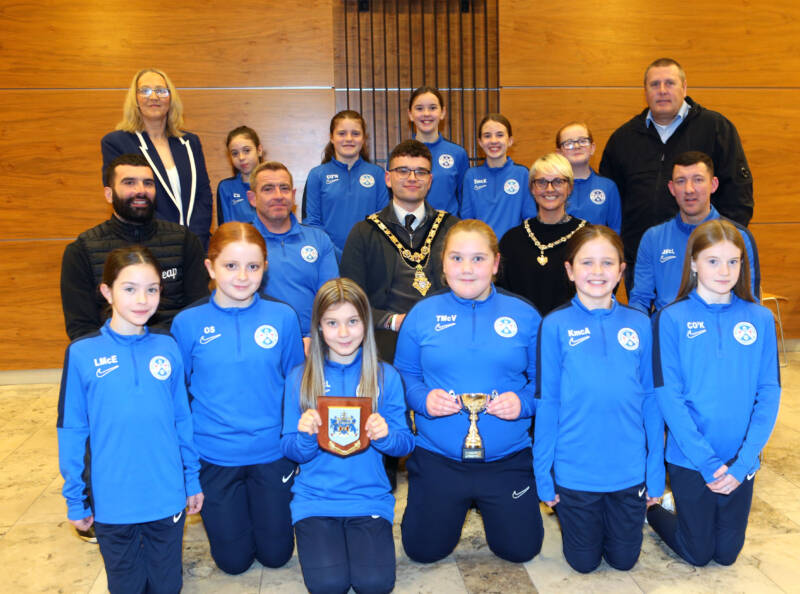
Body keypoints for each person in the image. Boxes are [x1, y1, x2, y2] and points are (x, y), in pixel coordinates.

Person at [394, 219, 544, 564]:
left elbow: (545, 384)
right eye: (457, 258)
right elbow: (404, 375)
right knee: (422, 551)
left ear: (495, 264)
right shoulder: (422, 315)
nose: (466, 268)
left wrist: (522, 403)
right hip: (438, 458)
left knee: (521, 550)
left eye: (478, 259)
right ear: (442, 264)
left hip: (507, 460)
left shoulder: (525, 315)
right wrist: (422, 400)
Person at [58, 246, 203, 593]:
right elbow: (72, 430)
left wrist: (192, 478)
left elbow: (182, 419)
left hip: (166, 493)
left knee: (166, 586)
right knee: (127, 586)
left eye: (152, 288)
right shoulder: (81, 353)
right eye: (129, 288)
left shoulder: (168, 347)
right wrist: (75, 498)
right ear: (107, 291)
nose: (143, 299)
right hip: (113, 500)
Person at [170, 222, 304, 575]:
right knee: (233, 563)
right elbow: (177, 399)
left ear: (265, 268)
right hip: (214, 456)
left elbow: (296, 386)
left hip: (271, 454)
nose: (243, 276)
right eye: (231, 266)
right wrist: (186, 469)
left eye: (253, 266)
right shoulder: (187, 323)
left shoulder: (283, 317)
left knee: (276, 556)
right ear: (210, 267)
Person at [647, 219, 781, 566]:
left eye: (733, 261)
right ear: (693, 262)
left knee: (726, 555)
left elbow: (768, 393)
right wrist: (707, 463)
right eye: (713, 261)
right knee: (698, 553)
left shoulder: (760, 318)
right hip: (691, 458)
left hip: (740, 459)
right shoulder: (670, 318)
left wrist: (744, 462)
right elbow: (668, 396)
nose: (724, 271)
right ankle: (655, 511)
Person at [535, 225, 664, 573]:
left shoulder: (639, 324)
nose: (597, 272)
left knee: (624, 562)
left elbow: (651, 400)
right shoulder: (555, 325)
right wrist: (543, 474)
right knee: (583, 563)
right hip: (576, 471)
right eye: (587, 262)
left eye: (607, 263)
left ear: (621, 271)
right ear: (569, 269)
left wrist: (655, 472)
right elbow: (547, 403)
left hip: (629, 470)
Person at [281, 278, 414, 593]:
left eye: (352, 321)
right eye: (332, 323)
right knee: (328, 586)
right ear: (319, 327)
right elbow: (289, 448)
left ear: (366, 324)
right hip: (315, 500)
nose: (343, 333)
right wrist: (305, 436)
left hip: (368, 497)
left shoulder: (386, 376)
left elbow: (406, 442)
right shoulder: (300, 378)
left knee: (374, 585)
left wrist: (385, 436)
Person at [599, 57, 753, 285]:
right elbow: (610, 204)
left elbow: (738, 196)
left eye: (670, 83)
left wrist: (721, 247)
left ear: (684, 87)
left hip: (707, 258)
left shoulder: (716, 129)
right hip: (643, 260)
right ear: (645, 90)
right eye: (654, 84)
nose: (662, 91)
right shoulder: (623, 139)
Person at [61, 153, 209, 341]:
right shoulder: (81, 251)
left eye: (148, 183)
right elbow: (81, 329)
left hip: (174, 353)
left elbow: (196, 313)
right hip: (114, 359)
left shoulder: (185, 241)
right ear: (109, 194)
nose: (141, 190)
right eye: (129, 183)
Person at [340, 139, 458, 363]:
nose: (412, 178)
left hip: (445, 335)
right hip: (385, 337)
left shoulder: (452, 229)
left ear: (430, 180)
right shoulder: (364, 232)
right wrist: (391, 321)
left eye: (421, 172)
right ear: (388, 178)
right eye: (403, 171)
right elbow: (350, 299)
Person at [629, 151, 760, 315]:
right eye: (680, 181)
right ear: (671, 188)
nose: (689, 189)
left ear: (713, 184)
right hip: (667, 334)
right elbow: (640, 300)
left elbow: (750, 302)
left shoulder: (739, 237)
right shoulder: (653, 238)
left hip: (719, 332)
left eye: (698, 180)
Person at [101, 68, 214, 247]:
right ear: (135, 99)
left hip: (195, 246)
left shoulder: (190, 142)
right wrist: (169, 239)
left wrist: (194, 241)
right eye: (145, 91)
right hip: (147, 245)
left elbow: (203, 195)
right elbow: (126, 199)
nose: (154, 97)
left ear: (171, 98)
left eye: (161, 91)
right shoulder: (116, 142)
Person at [248, 161, 339, 344]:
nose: (278, 196)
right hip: (258, 342)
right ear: (252, 198)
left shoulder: (319, 240)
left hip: (313, 343)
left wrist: (316, 339)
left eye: (284, 188)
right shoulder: (242, 242)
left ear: (294, 194)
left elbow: (332, 300)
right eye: (268, 189)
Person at [497, 153, 588, 315]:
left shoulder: (587, 238)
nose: (549, 189)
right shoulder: (511, 240)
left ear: (570, 187)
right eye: (541, 182)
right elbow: (502, 295)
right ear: (532, 188)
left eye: (558, 182)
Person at [302, 110, 389, 260]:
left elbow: (384, 220)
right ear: (331, 137)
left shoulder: (378, 174)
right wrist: (335, 254)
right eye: (341, 133)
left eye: (355, 133)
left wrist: (362, 254)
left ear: (364, 138)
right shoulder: (317, 175)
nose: (349, 139)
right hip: (328, 258)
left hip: (369, 258)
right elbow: (312, 223)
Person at [460, 113, 537, 241]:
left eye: (500, 135)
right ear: (480, 142)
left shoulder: (522, 174)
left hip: (513, 249)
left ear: (510, 141)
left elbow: (530, 218)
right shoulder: (471, 176)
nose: (494, 141)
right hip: (481, 248)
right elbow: (467, 221)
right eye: (487, 136)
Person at [408, 86, 469, 215]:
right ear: (410, 114)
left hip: (448, 230)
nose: (426, 113)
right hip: (410, 230)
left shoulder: (458, 154)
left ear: (442, 112)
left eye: (432, 108)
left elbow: (464, 198)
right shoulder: (399, 155)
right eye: (419, 108)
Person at [556, 121, 621, 233]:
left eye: (582, 141)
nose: (576, 146)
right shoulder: (552, 187)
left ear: (592, 148)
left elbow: (615, 229)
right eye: (569, 143)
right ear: (559, 153)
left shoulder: (608, 187)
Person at [217, 126, 263, 224]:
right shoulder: (226, 187)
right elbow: (225, 230)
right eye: (235, 153)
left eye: (246, 151)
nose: (241, 157)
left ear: (259, 150)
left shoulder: (274, 183)